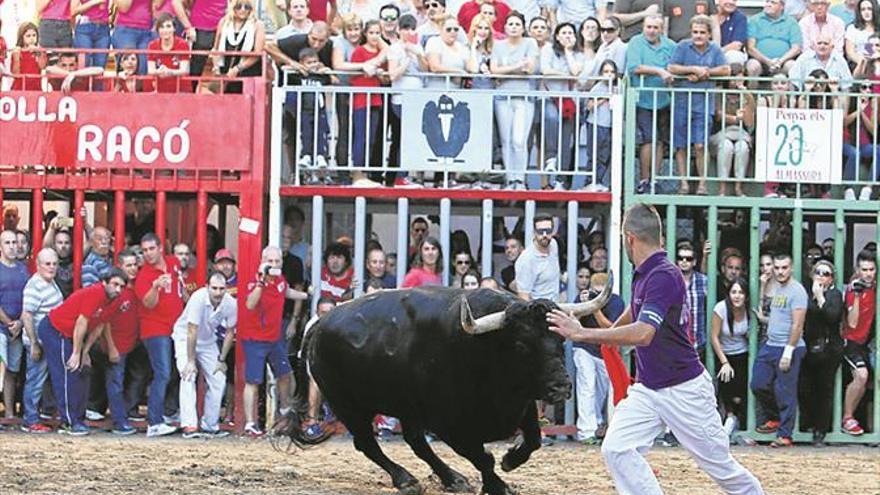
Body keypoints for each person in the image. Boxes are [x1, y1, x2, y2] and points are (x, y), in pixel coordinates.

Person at [546, 202, 764, 494]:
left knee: (721, 467)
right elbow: (623, 325)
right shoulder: (644, 273)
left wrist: (581, 332)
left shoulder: (662, 274)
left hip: (685, 390)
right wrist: (582, 327)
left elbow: (644, 333)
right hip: (649, 389)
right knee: (616, 448)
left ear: (630, 238)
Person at [39, 269, 128, 435]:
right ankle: (69, 422)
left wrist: (84, 351)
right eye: (115, 284)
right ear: (105, 282)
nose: (118, 289)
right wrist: (76, 352)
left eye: (121, 286)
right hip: (55, 329)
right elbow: (81, 323)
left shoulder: (115, 300)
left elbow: (99, 326)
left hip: (71, 335)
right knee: (67, 373)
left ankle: (78, 418)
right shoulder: (95, 293)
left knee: (82, 372)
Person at [240, 246, 309, 436]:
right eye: (270, 261)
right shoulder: (254, 280)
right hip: (254, 339)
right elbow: (250, 303)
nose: (273, 265)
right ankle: (250, 423)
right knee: (253, 381)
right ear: (262, 260)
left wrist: (307, 295)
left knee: (285, 374)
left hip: (274, 338)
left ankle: (285, 410)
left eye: (277, 261)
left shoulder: (280, 280)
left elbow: (285, 292)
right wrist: (261, 282)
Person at [668, 15, 731, 196]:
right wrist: (693, 69)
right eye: (695, 32)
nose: (698, 36)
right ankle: (684, 183)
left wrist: (706, 73)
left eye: (702, 32)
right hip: (682, 101)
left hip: (704, 103)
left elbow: (726, 70)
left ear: (709, 34)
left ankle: (702, 184)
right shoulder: (682, 46)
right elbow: (672, 67)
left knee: (700, 145)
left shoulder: (715, 50)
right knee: (680, 145)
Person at [750, 253, 807, 448]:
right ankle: (774, 418)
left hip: (788, 346)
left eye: (784, 268)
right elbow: (775, 316)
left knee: (785, 391)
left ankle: (785, 435)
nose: (780, 271)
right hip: (770, 344)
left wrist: (789, 350)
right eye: (777, 268)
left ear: (791, 268)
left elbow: (798, 325)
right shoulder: (778, 289)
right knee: (758, 383)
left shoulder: (797, 291)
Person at [134, 233, 186, 437]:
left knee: (173, 372)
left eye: (151, 249)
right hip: (155, 330)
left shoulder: (173, 263)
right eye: (144, 250)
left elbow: (179, 287)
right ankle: (154, 422)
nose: (148, 254)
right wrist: (155, 286)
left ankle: (166, 413)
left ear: (160, 248)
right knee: (163, 373)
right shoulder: (144, 275)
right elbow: (148, 303)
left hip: (175, 328)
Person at [173, 272, 236, 438]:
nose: (217, 292)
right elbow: (191, 331)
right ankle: (189, 425)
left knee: (219, 378)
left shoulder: (230, 303)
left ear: (226, 289)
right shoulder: (198, 298)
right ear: (207, 287)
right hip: (184, 337)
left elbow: (230, 332)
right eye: (214, 288)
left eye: (222, 289)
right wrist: (191, 361)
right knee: (188, 375)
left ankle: (210, 424)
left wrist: (222, 360)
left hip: (208, 341)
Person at [88, 249, 141, 435]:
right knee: (115, 382)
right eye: (129, 265)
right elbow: (105, 321)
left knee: (122, 380)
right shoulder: (116, 291)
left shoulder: (134, 287)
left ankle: (123, 416)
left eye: (135, 264)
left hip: (129, 344)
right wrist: (111, 348)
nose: (133, 268)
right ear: (119, 266)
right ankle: (119, 422)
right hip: (116, 346)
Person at [626, 14, 676, 194]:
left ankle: (655, 180)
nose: (652, 31)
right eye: (649, 27)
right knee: (649, 138)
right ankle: (644, 180)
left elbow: (676, 66)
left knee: (661, 140)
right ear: (643, 27)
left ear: (661, 29)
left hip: (665, 99)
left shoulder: (670, 45)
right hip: (643, 99)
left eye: (655, 27)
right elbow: (634, 68)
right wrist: (659, 71)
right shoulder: (635, 42)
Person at [572, 272, 623, 444]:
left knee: (601, 390)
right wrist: (584, 303)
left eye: (601, 293)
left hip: (604, 349)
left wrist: (595, 307)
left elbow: (610, 328)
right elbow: (573, 321)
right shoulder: (582, 297)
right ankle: (586, 432)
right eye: (595, 292)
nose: (597, 296)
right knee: (586, 386)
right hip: (584, 347)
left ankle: (597, 423)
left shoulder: (616, 301)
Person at [491, 11, 539, 190]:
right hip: (503, 97)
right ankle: (510, 178)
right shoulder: (498, 45)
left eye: (517, 24)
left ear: (523, 27)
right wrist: (517, 66)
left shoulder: (530, 43)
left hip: (524, 97)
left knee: (519, 140)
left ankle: (520, 178)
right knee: (506, 140)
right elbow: (494, 70)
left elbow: (530, 68)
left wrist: (506, 70)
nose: (513, 27)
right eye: (510, 24)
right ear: (505, 27)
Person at [798, 259, 843, 447]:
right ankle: (806, 424)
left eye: (826, 274)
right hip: (808, 348)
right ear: (812, 275)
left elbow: (833, 317)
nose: (822, 277)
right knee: (805, 389)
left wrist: (821, 297)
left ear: (832, 278)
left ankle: (820, 431)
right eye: (819, 272)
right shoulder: (805, 293)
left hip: (828, 350)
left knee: (824, 391)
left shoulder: (835, 294)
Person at [19, 248, 64, 433]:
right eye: (47, 264)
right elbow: (26, 315)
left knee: (41, 381)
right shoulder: (35, 285)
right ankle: (30, 421)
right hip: (38, 341)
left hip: (49, 341)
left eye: (54, 263)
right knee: (35, 381)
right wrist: (34, 344)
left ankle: (36, 417)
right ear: (38, 265)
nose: (51, 267)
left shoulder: (50, 282)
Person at [540, 22, 583, 190]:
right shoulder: (548, 49)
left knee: (567, 140)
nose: (567, 36)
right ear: (557, 36)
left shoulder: (577, 54)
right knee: (552, 118)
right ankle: (551, 157)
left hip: (569, 101)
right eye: (563, 32)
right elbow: (545, 70)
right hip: (551, 97)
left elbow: (576, 71)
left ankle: (561, 180)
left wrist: (568, 51)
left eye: (570, 33)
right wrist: (565, 75)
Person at [709, 277, 750, 439]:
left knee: (742, 389)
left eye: (741, 292)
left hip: (742, 353)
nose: (737, 296)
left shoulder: (748, 309)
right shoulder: (721, 308)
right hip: (724, 353)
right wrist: (724, 361)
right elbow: (714, 336)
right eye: (734, 292)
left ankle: (737, 420)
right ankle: (729, 418)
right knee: (726, 383)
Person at [841, 249, 876, 435]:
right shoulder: (853, 288)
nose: (868, 274)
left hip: (867, 342)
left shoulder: (875, 286)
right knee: (861, 376)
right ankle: (847, 418)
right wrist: (855, 295)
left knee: (868, 379)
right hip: (851, 342)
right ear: (858, 269)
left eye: (871, 269)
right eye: (865, 269)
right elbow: (853, 323)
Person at [711, 64, 755, 197]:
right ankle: (722, 189)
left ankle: (738, 188)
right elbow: (719, 116)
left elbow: (748, 121)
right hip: (720, 134)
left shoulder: (747, 95)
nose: (737, 82)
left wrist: (745, 94)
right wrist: (736, 118)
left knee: (742, 147)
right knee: (726, 146)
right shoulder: (718, 92)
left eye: (741, 79)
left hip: (741, 134)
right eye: (734, 79)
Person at [0, 229, 30, 421]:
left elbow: (28, 299)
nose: (13, 247)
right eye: (8, 243)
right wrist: (9, 322)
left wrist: (19, 322)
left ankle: (9, 412)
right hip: (2, 328)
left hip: (17, 329)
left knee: (12, 371)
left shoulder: (23, 269)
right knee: (1, 369)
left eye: (14, 243)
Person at [211, 0, 265, 94]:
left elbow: (257, 53)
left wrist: (238, 68)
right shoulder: (224, 22)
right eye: (239, 6)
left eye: (246, 7)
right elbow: (216, 49)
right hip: (226, 71)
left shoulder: (257, 24)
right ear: (233, 8)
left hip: (248, 71)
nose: (242, 10)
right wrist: (216, 68)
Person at [175, 0, 228, 84]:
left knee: (224, 70)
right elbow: (176, 2)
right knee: (194, 72)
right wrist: (188, 27)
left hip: (224, 30)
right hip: (201, 29)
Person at [746, 0, 802, 78]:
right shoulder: (754, 20)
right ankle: (751, 90)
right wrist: (768, 61)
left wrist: (780, 61)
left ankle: (793, 90)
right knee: (752, 66)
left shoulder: (791, 22)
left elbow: (796, 49)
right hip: (760, 61)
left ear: (782, 6)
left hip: (784, 62)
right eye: (767, 2)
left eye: (773, 2)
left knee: (792, 66)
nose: (768, 5)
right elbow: (751, 48)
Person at [515, 214, 560, 302]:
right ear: (534, 232)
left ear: (553, 231)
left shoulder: (554, 244)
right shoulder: (526, 259)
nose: (544, 235)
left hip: (555, 306)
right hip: (538, 310)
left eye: (548, 231)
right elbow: (523, 296)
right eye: (540, 231)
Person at [788, 33, 853, 90]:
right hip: (807, 98)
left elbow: (847, 86)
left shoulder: (840, 60)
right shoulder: (804, 58)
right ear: (813, 46)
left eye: (826, 44)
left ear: (832, 47)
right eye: (819, 43)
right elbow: (793, 82)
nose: (822, 46)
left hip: (832, 100)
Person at [147, 13, 191, 93]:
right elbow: (150, 70)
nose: (165, 30)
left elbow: (184, 70)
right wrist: (159, 71)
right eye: (162, 27)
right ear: (158, 30)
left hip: (181, 90)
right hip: (160, 88)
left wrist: (169, 72)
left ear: (174, 28)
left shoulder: (183, 44)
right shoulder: (152, 45)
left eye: (168, 26)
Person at [678, 244, 708, 359]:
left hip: (699, 343)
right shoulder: (670, 280)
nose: (684, 261)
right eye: (681, 258)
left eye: (688, 259)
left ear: (694, 262)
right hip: (676, 343)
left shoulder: (703, 280)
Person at [112, 0, 154, 75]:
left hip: (146, 30)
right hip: (126, 29)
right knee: (128, 64)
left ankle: (140, 87)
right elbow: (124, 8)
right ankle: (123, 86)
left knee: (144, 66)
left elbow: (156, 5)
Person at [10, 22, 47, 91]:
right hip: (19, 89)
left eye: (34, 35)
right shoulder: (17, 52)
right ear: (22, 37)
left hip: (36, 89)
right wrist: (16, 58)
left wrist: (39, 53)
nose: (32, 38)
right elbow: (15, 74)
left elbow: (43, 66)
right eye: (28, 36)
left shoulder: (40, 51)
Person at [845, 0, 879, 66]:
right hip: (859, 65)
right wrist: (863, 62)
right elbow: (850, 53)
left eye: (869, 9)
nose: (866, 12)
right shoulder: (852, 28)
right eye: (863, 9)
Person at [716, 0, 749, 65]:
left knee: (734, 56)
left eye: (734, 0)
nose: (731, 2)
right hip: (706, 53)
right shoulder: (709, 15)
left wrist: (716, 53)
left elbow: (737, 45)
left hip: (727, 53)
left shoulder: (740, 18)